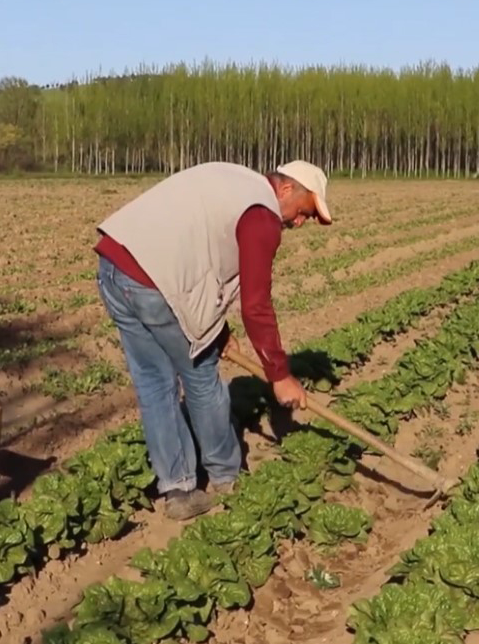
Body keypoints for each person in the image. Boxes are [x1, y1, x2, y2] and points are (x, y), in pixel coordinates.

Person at [92, 160, 333, 520]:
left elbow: (194, 254)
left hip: (115, 267)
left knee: (155, 383)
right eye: (304, 212)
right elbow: (256, 304)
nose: (299, 223)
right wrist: (280, 375)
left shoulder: (235, 180)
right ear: (285, 190)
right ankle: (226, 477)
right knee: (202, 377)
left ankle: (178, 488)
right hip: (156, 284)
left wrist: (217, 332)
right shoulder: (261, 215)